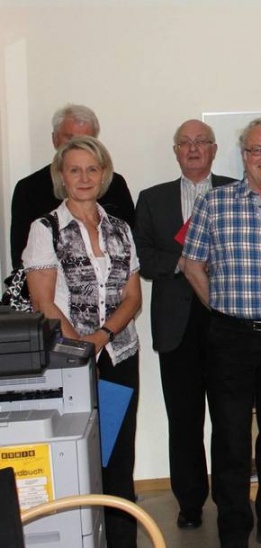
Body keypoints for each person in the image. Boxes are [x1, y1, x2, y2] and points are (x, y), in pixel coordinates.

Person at [182, 118, 261, 548]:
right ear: (243, 155)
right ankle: (234, 529)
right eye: (258, 150)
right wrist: (219, 307)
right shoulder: (214, 203)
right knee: (231, 438)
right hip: (229, 338)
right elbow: (193, 264)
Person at [22, 135, 141, 547]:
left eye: (92, 169)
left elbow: (133, 297)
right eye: (75, 169)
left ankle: (123, 539)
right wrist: (82, 347)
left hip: (120, 354)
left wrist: (103, 337)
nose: (84, 177)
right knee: (80, 457)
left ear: (104, 174)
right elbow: (43, 301)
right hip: (69, 364)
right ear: (61, 176)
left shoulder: (120, 228)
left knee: (118, 457)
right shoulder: (45, 228)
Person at [133, 119, 236, 530]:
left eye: (201, 142)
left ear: (214, 149)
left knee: (229, 418)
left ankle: (231, 500)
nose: (193, 149)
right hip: (177, 325)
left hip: (227, 321)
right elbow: (141, 254)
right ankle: (190, 502)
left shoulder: (235, 190)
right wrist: (183, 263)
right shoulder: (152, 199)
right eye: (185, 143)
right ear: (176, 151)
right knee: (184, 419)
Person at [11, 103, 134, 269]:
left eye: (85, 139)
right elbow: (22, 258)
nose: (76, 146)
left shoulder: (114, 184)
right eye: (70, 138)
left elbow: (129, 249)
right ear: (54, 139)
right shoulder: (29, 188)